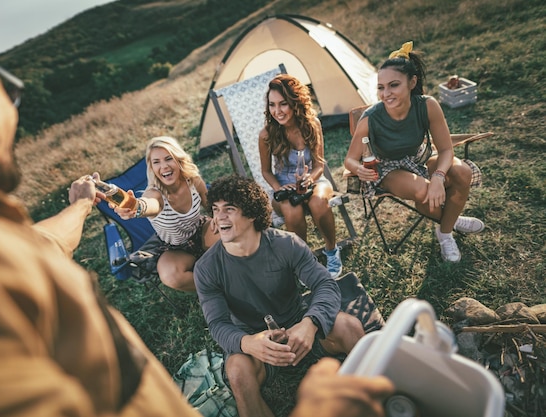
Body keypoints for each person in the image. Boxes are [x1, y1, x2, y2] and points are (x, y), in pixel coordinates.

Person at [0, 3, 393, 416]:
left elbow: (39, 244)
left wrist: (83, 209)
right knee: (225, 344)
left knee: (337, 318)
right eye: (10, 91)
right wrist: (254, 348)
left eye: (168, 158)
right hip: (196, 265)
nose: (13, 112)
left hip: (254, 275)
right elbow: (149, 213)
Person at [194, 175, 385, 417]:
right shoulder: (206, 268)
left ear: (251, 214)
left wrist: (310, 323)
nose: (219, 217)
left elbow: (324, 283)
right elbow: (218, 324)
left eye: (229, 209)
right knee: (237, 370)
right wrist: (249, 343)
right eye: (215, 209)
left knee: (348, 325)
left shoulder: (286, 244)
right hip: (256, 344)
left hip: (299, 322)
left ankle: (381, 397)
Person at [344, 41, 485, 262]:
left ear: (412, 82)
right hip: (387, 169)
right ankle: (452, 222)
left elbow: (446, 149)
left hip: (418, 159)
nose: (386, 93)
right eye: (381, 87)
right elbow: (349, 160)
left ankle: (444, 231)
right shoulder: (371, 118)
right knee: (423, 190)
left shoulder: (427, 105)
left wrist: (438, 177)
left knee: (462, 172)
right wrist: (358, 169)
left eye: (393, 85)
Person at [258, 74, 342, 277]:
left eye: (283, 104)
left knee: (319, 202)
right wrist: (279, 188)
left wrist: (310, 178)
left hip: (313, 179)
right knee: (292, 211)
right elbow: (266, 171)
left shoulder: (312, 125)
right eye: (272, 105)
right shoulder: (267, 134)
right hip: (283, 186)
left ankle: (331, 250)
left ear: (295, 103)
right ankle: (305, 262)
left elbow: (319, 164)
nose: (277, 111)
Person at [112, 136, 219, 292]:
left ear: (179, 159)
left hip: (201, 230)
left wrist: (218, 219)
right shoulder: (154, 194)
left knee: (229, 235)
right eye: (156, 162)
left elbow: (210, 205)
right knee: (171, 276)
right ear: (151, 167)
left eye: (168, 159)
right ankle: (217, 288)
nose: (164, 166)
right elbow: (147, 205)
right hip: (174, 248)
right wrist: (134, 208)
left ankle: (237, 273)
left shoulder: (193, 181)